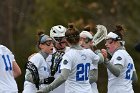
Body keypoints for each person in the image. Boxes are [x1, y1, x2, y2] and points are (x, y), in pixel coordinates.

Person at [36, 23, 104, 93]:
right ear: (79, 39)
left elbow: (63, 77)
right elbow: (101, 59)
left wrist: (46, 90)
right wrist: (98, 52)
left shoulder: (68, 55)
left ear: (67, 40)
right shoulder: (89, 52)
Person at [101, 25, 138, 93]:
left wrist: (105, 60)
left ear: (117, 42)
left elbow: (117, 72)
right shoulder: (128, 55)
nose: (106, 44)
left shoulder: (119, 53)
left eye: (109, 41)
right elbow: (134, 79)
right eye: (105, 41)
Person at [48, 25, 70, 93]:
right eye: (59, 39)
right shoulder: (47, 53)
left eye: (64, 38)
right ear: (53, 40)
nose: (63, 41)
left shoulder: (72, 51)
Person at [79, 26, 99, 93]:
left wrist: (78, 84)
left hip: (90, 90)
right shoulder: (75, 53)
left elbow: (94, 77)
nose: (82, 42)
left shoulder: (92, 55)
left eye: (86, 40)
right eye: (81, 39)